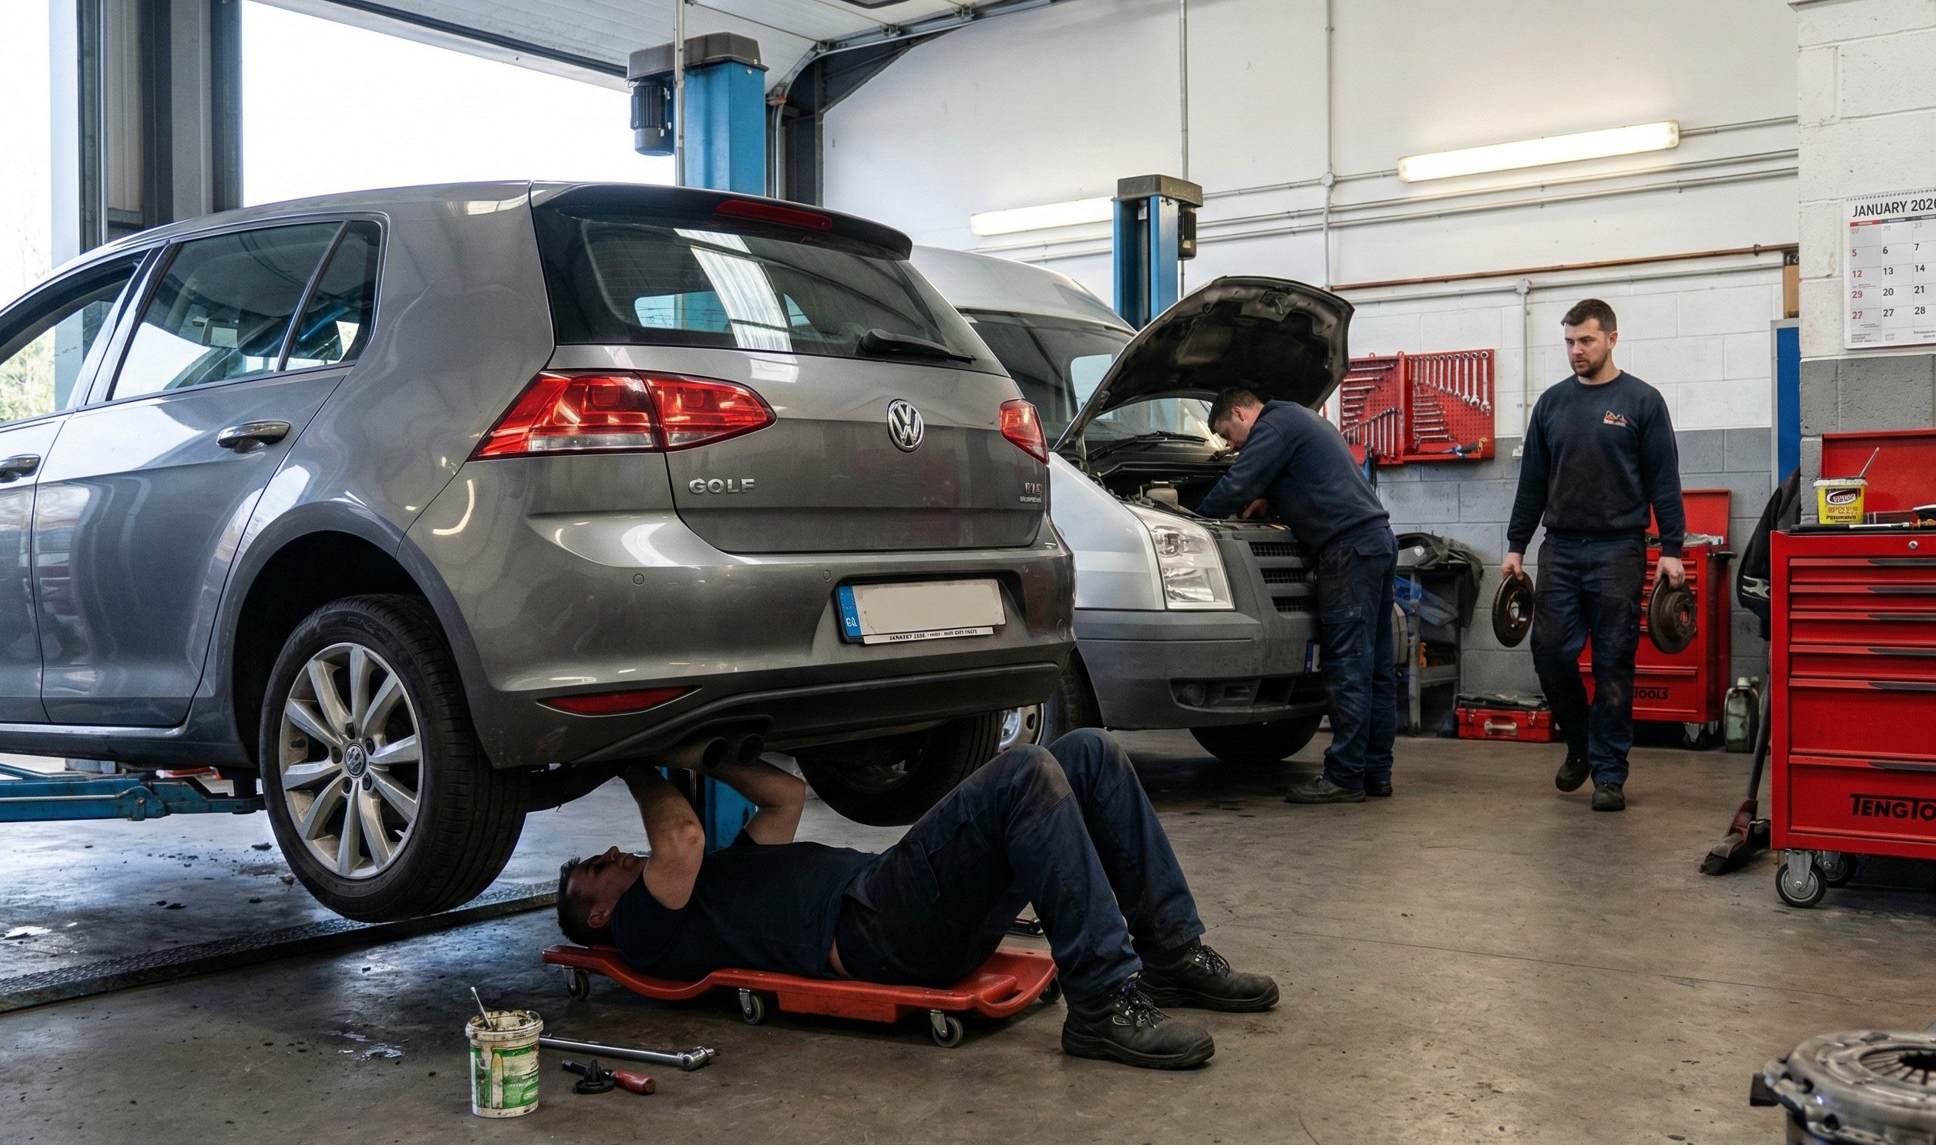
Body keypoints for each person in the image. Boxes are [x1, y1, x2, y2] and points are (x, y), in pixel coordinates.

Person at [557, 729, 1277, 1071]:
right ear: (596, 914)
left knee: (1089, 752)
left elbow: (787, 795)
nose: (614, 855)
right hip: (878, 929)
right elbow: (678, 837)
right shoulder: (645, 927)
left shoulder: (725, 878)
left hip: (895, 901)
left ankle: (1172, 955)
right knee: (1025, 771)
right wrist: (633, 760)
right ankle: (1101, 1005)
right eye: (597, 866)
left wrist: (705, 753)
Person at [1502, 298, 1686, 813]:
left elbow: (1664, 481)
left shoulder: (1642, 401)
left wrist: (1671, 547)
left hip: (1617, 551)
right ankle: (1580, 744)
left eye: (1585, 340)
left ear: (1611, 338)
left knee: (1613, 665)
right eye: (1568, 342)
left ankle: (1609, 773)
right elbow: (1532, 483)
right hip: (1558, 548)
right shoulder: (1552, 404)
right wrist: (1517, 545)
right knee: (1550, 653)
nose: (1575, 350)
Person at [1195, 388, 1400, 805]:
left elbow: (1237, 484)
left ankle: (1344, 777)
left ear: (1239, 412)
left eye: (1227, 433)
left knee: (1346, 669)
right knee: (1376, 669)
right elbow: (1308, 478)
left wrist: (1192, 518)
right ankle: (1375, 773)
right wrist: (1273, 498)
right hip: (1376, 541)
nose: (1231, 445)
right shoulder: (1298, 418)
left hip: (1347, 553)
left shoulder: (1272, 426)